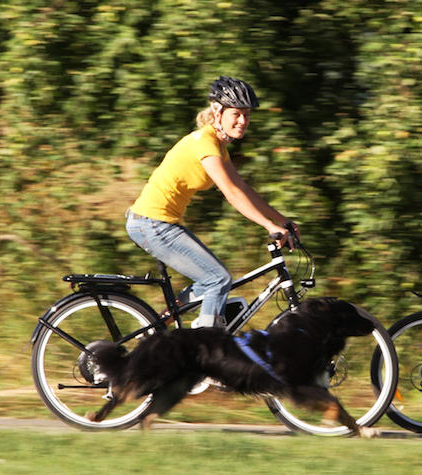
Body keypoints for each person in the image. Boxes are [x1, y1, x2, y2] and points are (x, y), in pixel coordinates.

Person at [126, 76, 298, 328]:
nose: (242, 121)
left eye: (247, 115)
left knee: (212, 279)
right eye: (236, 114)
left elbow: (242, 187)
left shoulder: (218, 147)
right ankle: (205, 347)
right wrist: (268, 226)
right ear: (218, 112)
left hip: (158, 223)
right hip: (152, 224)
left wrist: (281, 220)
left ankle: (158, 326)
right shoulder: (205, 143)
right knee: (217, 279)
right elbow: (231, 192)